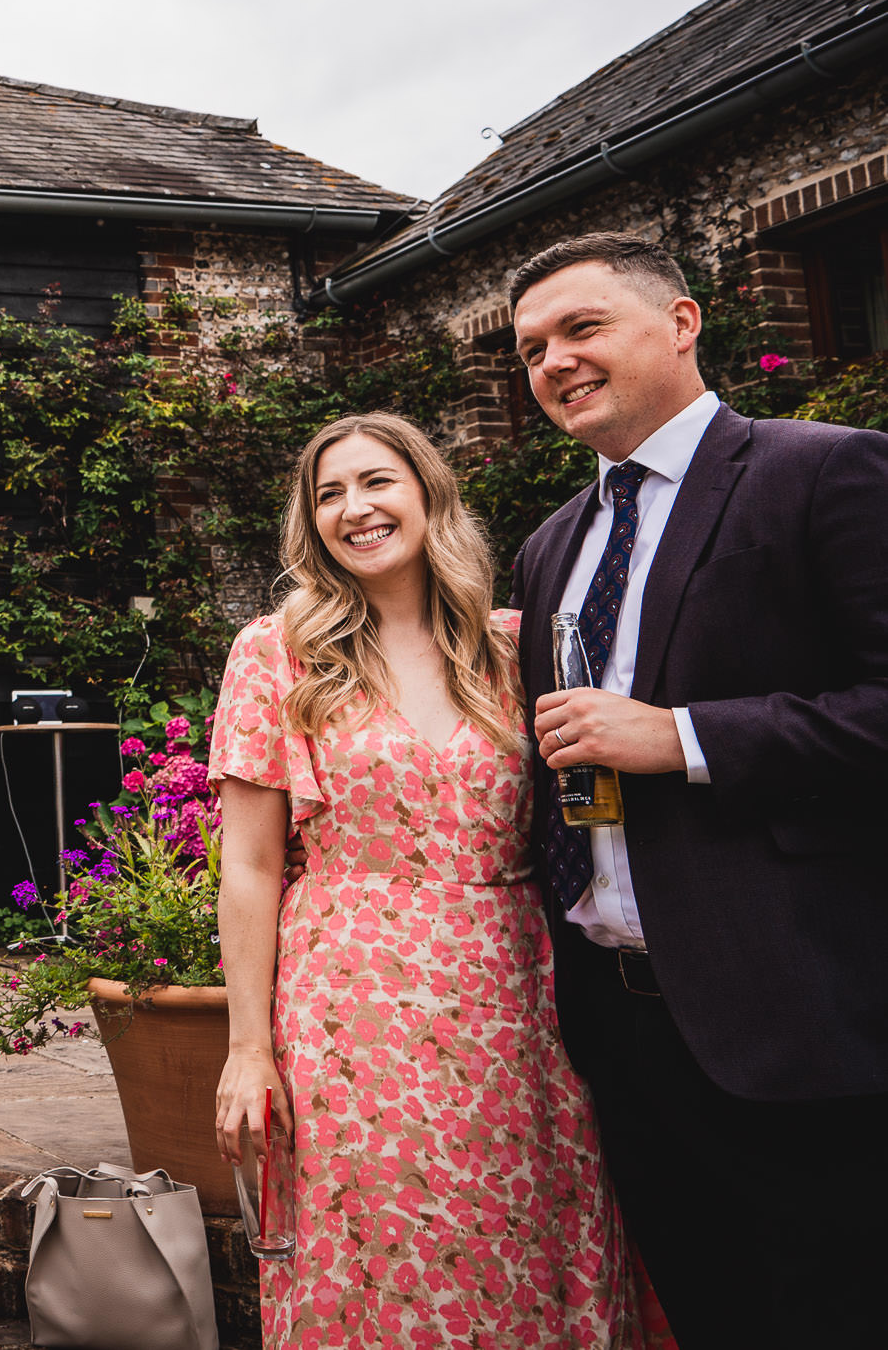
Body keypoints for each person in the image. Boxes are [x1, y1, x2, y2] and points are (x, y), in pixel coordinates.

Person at [506, 231, 888, 1343]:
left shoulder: (824, 469)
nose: (553, 362)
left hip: (798, 1011)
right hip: (618, 1023)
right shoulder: (549, 547)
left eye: (582, 328)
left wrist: (681, 735)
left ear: (681, 322)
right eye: (530, 349)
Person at [209, 411, 646, 1346]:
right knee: (376, 1237)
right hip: (350, 1003)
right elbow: (247, 864)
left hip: (520, 991)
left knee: (535, 1229)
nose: (355, 509)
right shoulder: (276, 650)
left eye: (377, 482)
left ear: (429, 496)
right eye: (329, 494)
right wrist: (248, 1047)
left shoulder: (516, 647)